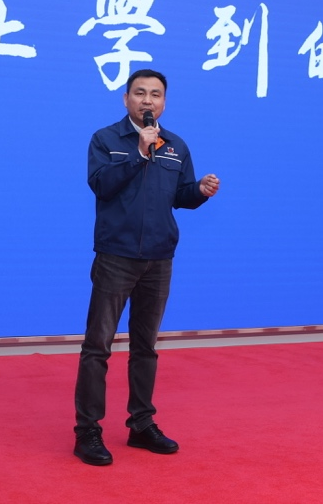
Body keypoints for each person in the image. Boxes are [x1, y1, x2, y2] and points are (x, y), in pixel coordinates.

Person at [73, 68, 221, 466]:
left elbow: (180, 196)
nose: (147, 100)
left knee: (145, 347)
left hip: (159, 259)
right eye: (140, 93)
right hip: (116, 257)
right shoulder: (105, 139)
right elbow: (101, 185)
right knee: (97, 346)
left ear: (164, 102)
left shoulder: (175, 146)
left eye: (155, 94)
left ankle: (141, 424)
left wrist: (200, 191)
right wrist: (139, 153)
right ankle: (87, 431)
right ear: (126, 99)